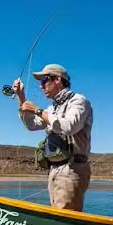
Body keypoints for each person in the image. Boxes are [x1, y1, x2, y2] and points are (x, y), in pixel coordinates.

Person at [11, 64, 93, 211]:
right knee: (58, 215)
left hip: (71, 169)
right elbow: (31, 125)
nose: (41, 86)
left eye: (44, 81)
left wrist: (37, 110)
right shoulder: (52, 108)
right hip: (54, 169)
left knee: (66, 220)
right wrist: (21, 96)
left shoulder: (78, 101)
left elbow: (69, 126)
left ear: (58, 80)